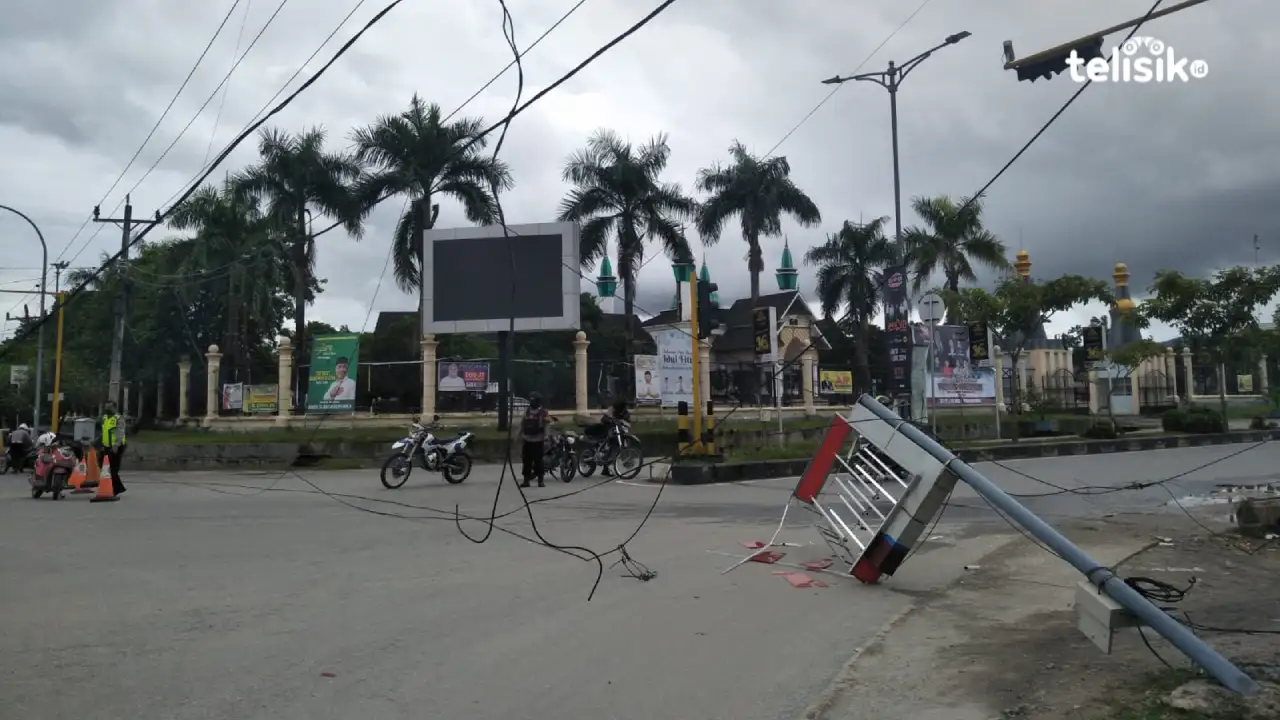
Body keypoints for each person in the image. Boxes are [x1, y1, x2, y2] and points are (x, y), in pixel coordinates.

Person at [519, 392, 556, 488]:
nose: (532, 402)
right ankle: (526, 480)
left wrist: (546, 437)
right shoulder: (527, 411)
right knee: (526, 461)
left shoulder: (543, 412)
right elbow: (522, 423)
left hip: (538, 440)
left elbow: (547, 424)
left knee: (538, 461)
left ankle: (540, 480)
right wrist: (519, 435)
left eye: (533, 400)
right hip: (527, 439)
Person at [97, 402, 127, 496]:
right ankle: (116, 487)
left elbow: (120, 432)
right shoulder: (105, 418)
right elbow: (103, 432)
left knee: (113, 469)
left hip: (116, 446)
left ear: (114, 408)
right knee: (103, 466)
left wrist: (116, 445)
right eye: (106, 407)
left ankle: (116, 489)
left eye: (109, 407)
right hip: (106, 446)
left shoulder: (119, 418)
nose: (107, 409)